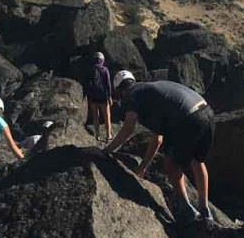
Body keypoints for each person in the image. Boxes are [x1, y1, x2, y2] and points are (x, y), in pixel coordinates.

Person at [105, 70, 215, 225]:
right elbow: (157, 139)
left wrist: (107, 151)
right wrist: (142, 167)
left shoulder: (132, 94)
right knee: (197, 161)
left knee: (171, 165)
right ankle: (205, 210)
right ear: (133, 80)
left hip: (186, 119)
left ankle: (189, 210)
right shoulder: (149, 91)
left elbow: (128, 128)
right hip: (207, 112)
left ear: (119, 90)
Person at [84, 52, 113, 142]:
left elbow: (86, 84)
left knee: (95, 116)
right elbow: (108, 84)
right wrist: (109, 96)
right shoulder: (105, 70)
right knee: (107, 116)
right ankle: (108, 136)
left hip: (93, 96)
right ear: (102, 60)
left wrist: (85, 95)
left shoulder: (90, 69)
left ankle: (97, 136)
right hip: (103, 96)